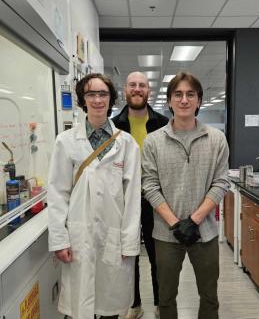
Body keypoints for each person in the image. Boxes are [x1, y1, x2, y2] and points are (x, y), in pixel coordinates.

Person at [48, 73, 141, 319]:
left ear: (111, 100)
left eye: (103, 94)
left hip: (114, 236)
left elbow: (132, 198)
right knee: (81, 305)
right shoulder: (66, 142)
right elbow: (58, 192)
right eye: (91, 94)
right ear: (82, 99)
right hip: (79, 236)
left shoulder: (127, 144)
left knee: (111, 304)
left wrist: (130, 241)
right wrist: (59, 239)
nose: (97, 99)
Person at [142, 72, 230, 319]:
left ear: (199, 100)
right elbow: (149, 186)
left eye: (190, 94)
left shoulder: (216, 139)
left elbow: (221, 181)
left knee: (210, 296)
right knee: (166, 297)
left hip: (205, 232)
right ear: (169, 101)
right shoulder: (153, 142)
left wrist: (195, 220)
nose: (184, 100)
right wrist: (175, 223)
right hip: (166, 233)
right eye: (178, 94)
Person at [112, 71, 168, 318]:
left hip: (156, 200)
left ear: (149, 91)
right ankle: (134, 305)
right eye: (132, 85)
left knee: (159, 257)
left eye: (142, 85)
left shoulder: (163, 123)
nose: (137, 89)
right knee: (128, 256)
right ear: (125, 89)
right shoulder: (114, 125)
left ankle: (159, 304)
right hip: (124, 201)